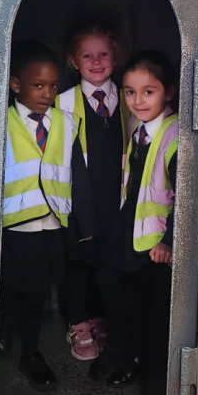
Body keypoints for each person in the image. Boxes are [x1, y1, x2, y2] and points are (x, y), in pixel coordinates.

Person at [0, 39, 85, 389]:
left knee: (39, 289)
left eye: (52, 86)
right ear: (15, 84)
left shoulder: (67, 122)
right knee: (22, 289)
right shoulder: (1, 123)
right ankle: (29, 352)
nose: (47, 93)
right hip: (15, 226)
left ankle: (18, 339)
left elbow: (77, 173)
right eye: (38, 85)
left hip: (54, 223)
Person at [90, 50, 178, 389]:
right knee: (107, 281)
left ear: (168, 92)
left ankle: (137, 356)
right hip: (128, 221)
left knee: (144, 300)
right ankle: (116, 346)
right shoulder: (135, 125)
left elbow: (186, 195)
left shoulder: (175, 136)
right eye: (130, 92)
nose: (138, 101)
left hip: (154, 235)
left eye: (148, 92)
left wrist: (169, 241)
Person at [56, 25, 128, 362]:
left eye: (103, 54)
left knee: (107, 259)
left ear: (115, 57)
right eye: (87, 55)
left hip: (116, 198)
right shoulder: (63, 103)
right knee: (78, 262)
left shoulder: (130, 98)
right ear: (74, 61)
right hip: (79, 199)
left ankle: (99, 317)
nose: (96, 62)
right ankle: (78, 322)